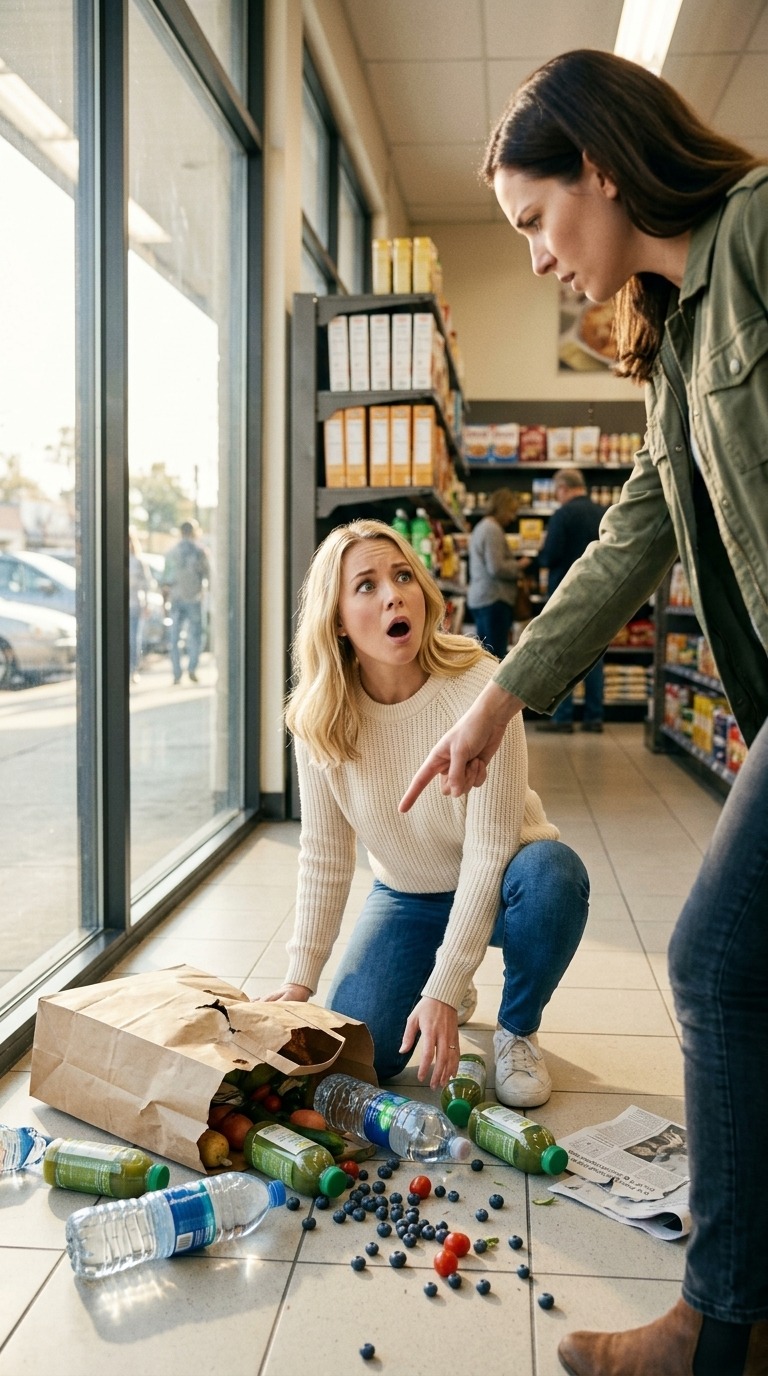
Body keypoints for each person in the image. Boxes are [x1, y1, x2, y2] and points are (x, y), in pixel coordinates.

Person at [399, 48, 768, 1376]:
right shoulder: (670, 348)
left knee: (718, 964)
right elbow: (628, 547)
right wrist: (497, 703)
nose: (545, 260)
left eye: (539, 224)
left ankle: (715, 1331)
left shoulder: (763, 233)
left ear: (600, 173)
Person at [262, 517, 589, 1106]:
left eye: (403, 576)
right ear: (336, 620)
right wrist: (299, 980)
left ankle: (517, 1029)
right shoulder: (319, 719)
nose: (393, 593)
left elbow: (490, 854)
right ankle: (451, 979)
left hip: (507, 883)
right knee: (369, 1059)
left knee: (555, 876)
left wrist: (440, 986)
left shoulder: (479, 688)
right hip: (408, 896)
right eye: (366, 585)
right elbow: (325, 856)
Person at [536, 468, 604, 733]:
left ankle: (563, 718)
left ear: (563, 488)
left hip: (566, 592)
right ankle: (594, 717)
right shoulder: (603, 513)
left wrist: (540, 558)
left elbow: (551, 555)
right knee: (595, 655)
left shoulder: (562, 515)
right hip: (599, 592)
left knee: (562, 655)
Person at [467, 488, 530, 659]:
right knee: (494, 658)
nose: (512, 517)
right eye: (511, 511)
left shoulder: (482, 527)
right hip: (494, 599)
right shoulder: (492, 529)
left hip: (482, 598)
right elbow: (496, 567)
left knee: (485, 656)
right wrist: (519, 565)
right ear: (502, 508)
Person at [163, 519, 210, 685]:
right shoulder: (200, 551)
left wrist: (164, 603)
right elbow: (207, 575)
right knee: (195, 635)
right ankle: (192, 668)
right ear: (194, 532)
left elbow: (165, 581)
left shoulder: (172, 552)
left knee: (174, 637)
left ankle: (176, 672)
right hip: (194, 598)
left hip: (176, 599)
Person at [128, 527, 149, 682]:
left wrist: (146, 604)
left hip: (135, 605)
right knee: (132, 639)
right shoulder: (136, 561)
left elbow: (146, 584)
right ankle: (131, 670)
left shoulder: (138, 561)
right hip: (130, 605)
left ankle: (132, 669)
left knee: (134, 639)